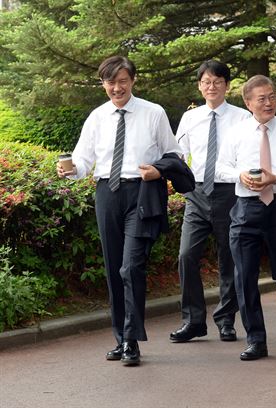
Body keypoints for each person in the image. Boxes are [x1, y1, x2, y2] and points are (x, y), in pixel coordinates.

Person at [57, 56, 183, 366]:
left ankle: (131, 340)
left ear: (133, 81)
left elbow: (175, 153)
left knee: (130, 267)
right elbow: (84, 161)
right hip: (107, 193)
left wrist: (158, 169)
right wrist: (69, 169)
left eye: (122, 81)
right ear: (103, 84)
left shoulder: (154, 113)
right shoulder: (97, 117)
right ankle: (120, 336)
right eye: (110, 82)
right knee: (114, 269)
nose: (117, 87)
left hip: (141, 192)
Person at [216, 75, 276, 361]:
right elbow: (220, 168)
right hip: (246, 208)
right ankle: (256, 338)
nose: (269, 103)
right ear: (247, 103)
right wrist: (239, 175)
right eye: (261, 98)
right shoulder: (236, 132)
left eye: (272, 96)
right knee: (244, 277)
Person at [168, 60, 251, 344]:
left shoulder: (242, 118)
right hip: (197, 193)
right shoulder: (190, 118)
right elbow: (178, 154)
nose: (211, 86)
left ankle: (226, 319)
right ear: (199, 86)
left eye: (217, 81)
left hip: (230, 193)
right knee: (186, 256)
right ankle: (192, 321)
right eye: (206, 82)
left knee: (229, 259)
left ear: (227, 86)